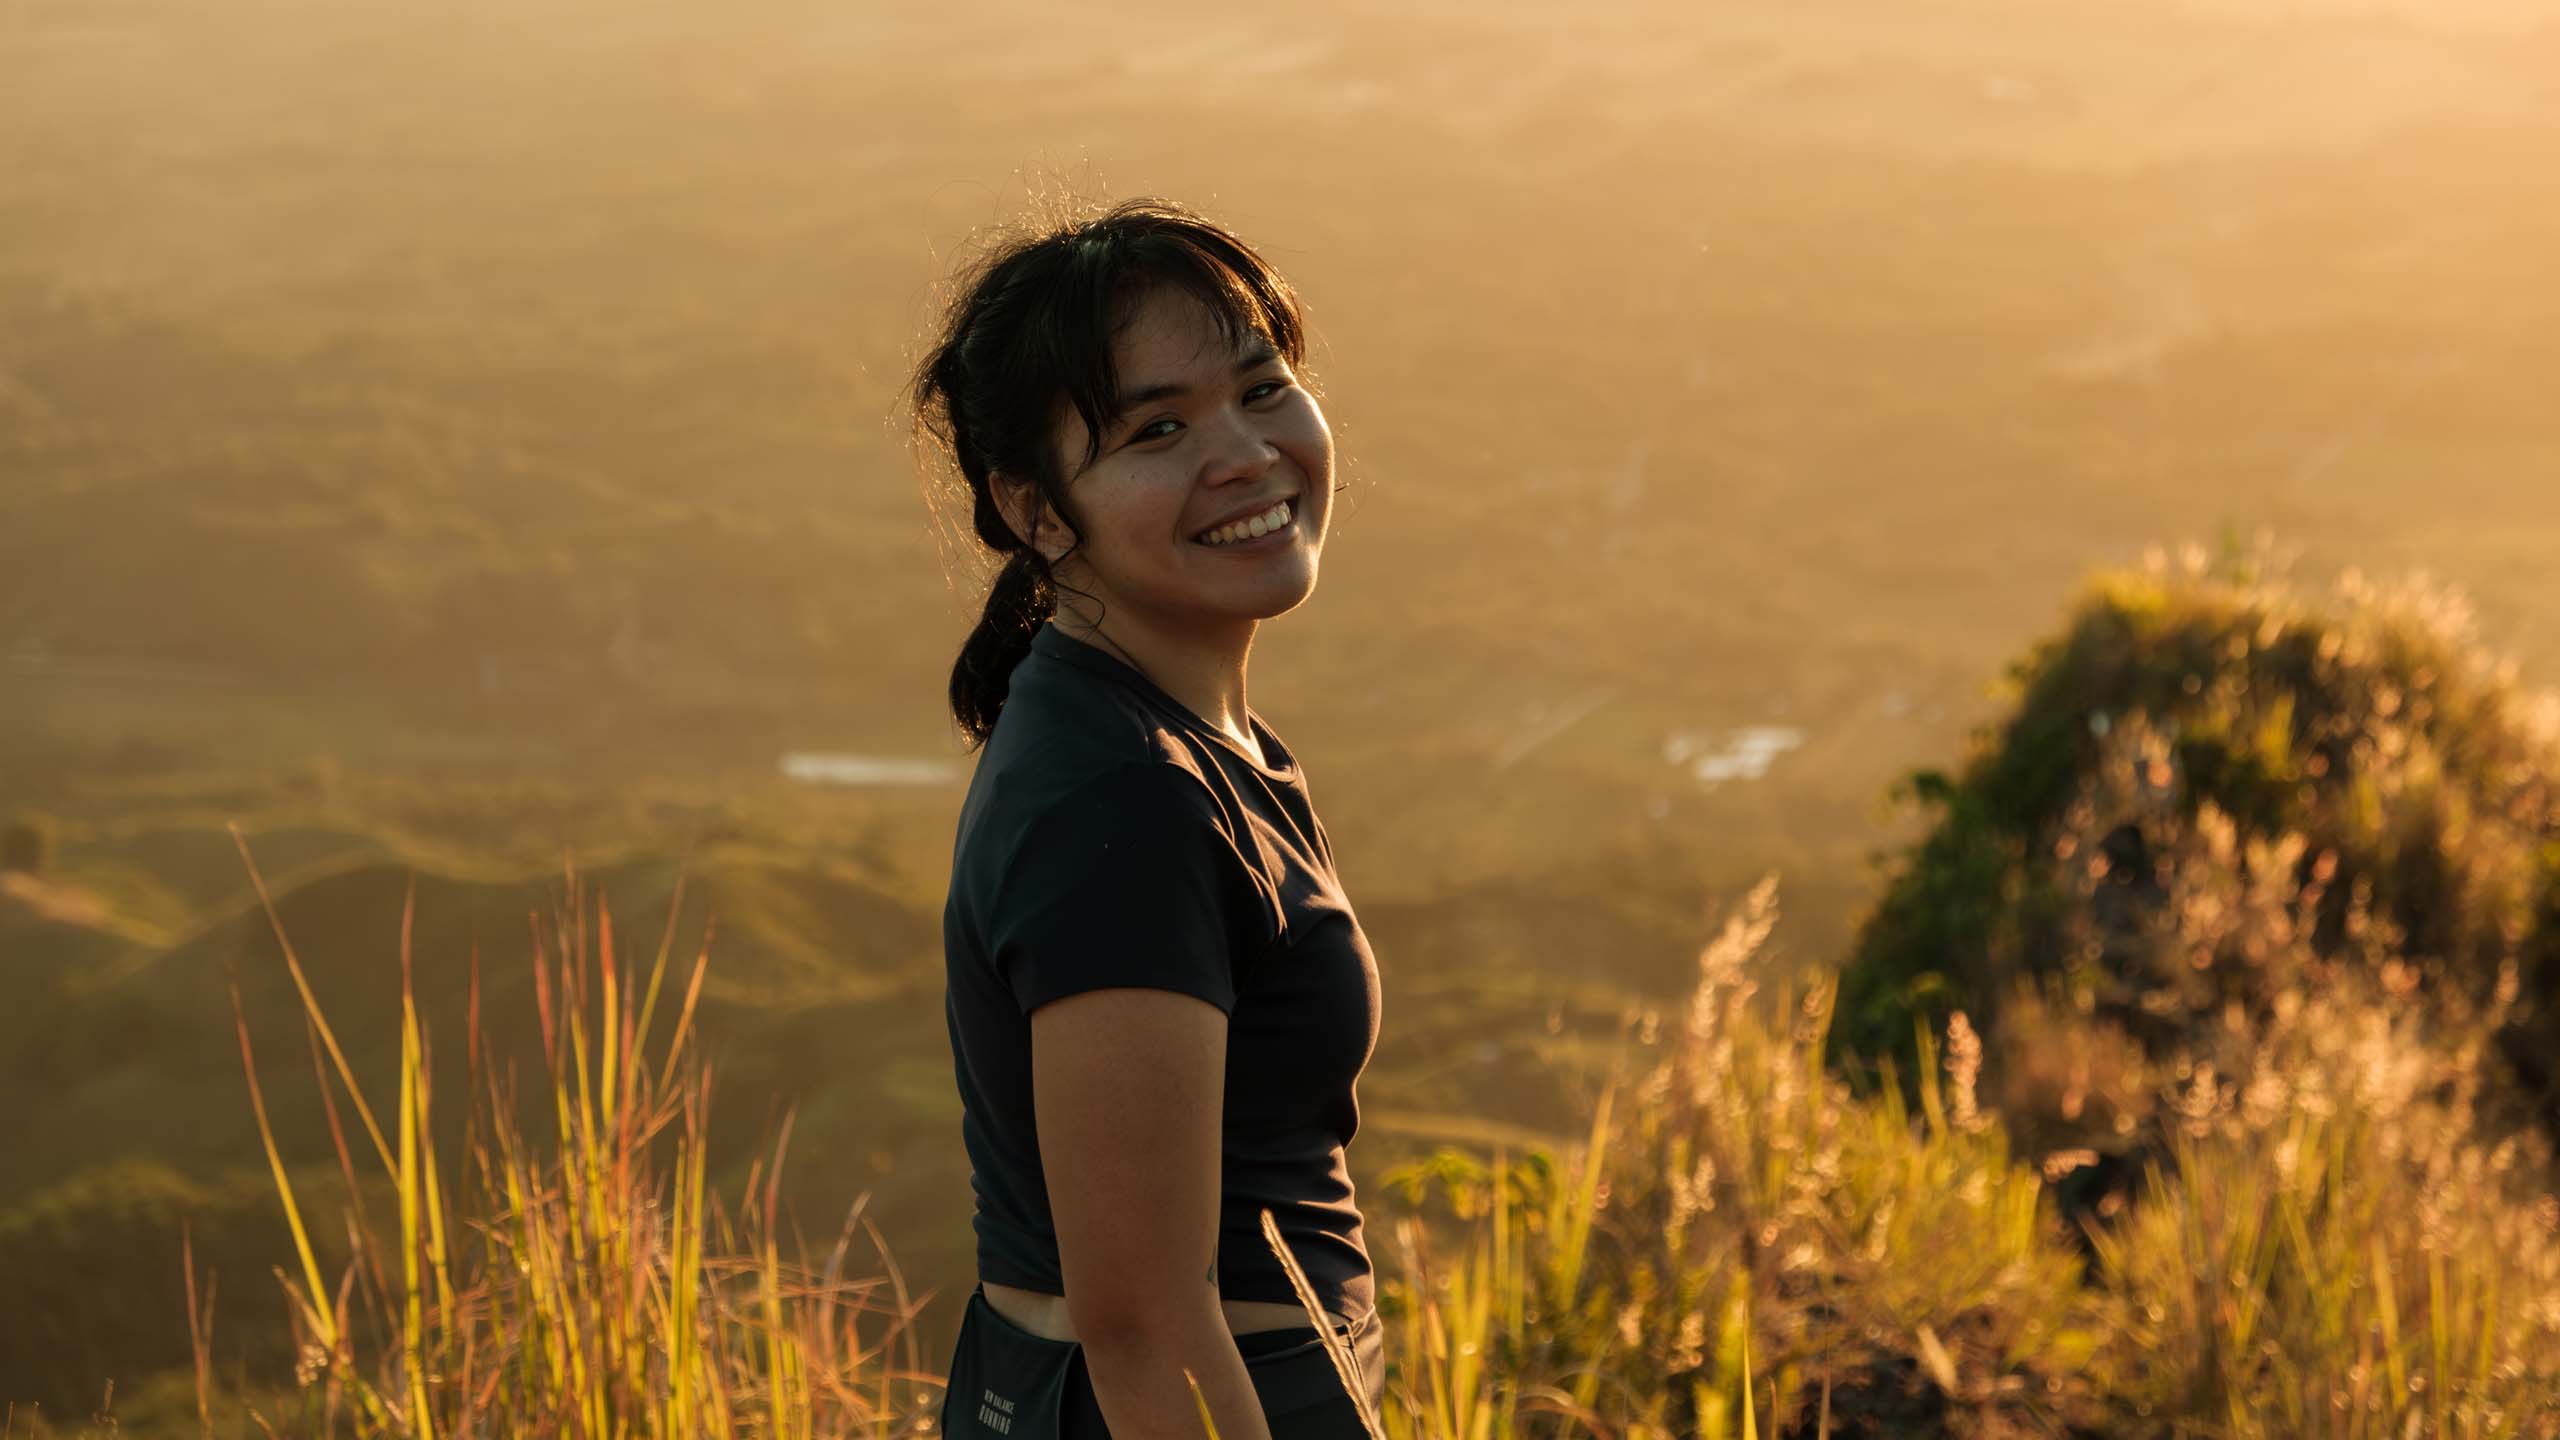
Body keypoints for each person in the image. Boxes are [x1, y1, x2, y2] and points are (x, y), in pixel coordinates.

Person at [913, 196, 1386, 1440]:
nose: (1242, 453)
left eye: (1262, 387)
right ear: (1034, 509)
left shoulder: (1175, 735)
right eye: (1157, 429)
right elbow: (1143, 1327)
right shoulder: (1120, 800)